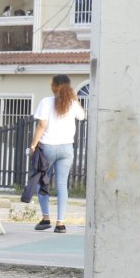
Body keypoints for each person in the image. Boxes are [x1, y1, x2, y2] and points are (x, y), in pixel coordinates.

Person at [28, 74, 86, 233]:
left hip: (47, 148)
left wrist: (33, 145)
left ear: (54, 86)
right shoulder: (73, 104)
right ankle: (60, 223)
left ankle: (46, 218)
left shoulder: (46, 102)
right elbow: (82, 116)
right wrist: (75, 97)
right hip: (67, 148)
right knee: (62, 185)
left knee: (42, 182)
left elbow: (41, 125)